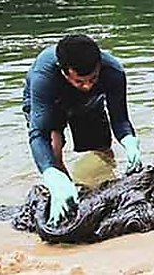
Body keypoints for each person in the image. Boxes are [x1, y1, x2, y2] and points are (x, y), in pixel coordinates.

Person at [23, 34, 141, 225]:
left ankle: (96, 188)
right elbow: (39, 134)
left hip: (88, 104)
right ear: (64, 73)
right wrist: (51, 174)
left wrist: (129, 141)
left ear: (99, 66)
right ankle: (68, 198)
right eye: (79, 81)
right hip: (50, 103)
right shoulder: (43, 77)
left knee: (101, 149)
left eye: (93, 78)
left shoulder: (113, 72)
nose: (86, 85)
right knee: (53, 151)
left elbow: (119, 119)